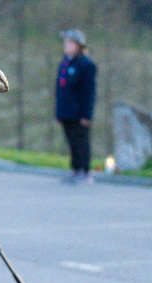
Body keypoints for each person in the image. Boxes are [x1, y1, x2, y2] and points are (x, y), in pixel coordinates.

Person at [55, 29, 96, 184]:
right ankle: (75, 169)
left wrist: (86, 115)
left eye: (69, 42)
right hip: (66, 113)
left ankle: (84, 171)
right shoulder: (65, 62)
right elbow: (60, 89)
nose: (66, 45)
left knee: (81, 142)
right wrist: (59, 112)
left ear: (78, 45)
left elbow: (88, 92)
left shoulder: (86, 65)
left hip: (79, 114)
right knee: (71, 142)